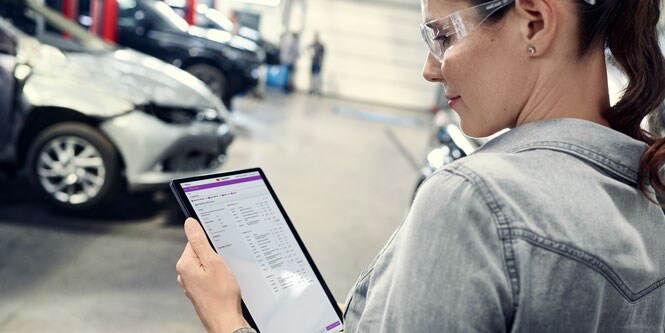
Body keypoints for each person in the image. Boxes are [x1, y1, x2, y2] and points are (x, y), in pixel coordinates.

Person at [176, 0, 665, 331]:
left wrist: (227, 319)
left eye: (443, 35)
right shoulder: (649, 195)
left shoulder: (477, 201)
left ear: (533, 22)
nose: (430, 68)